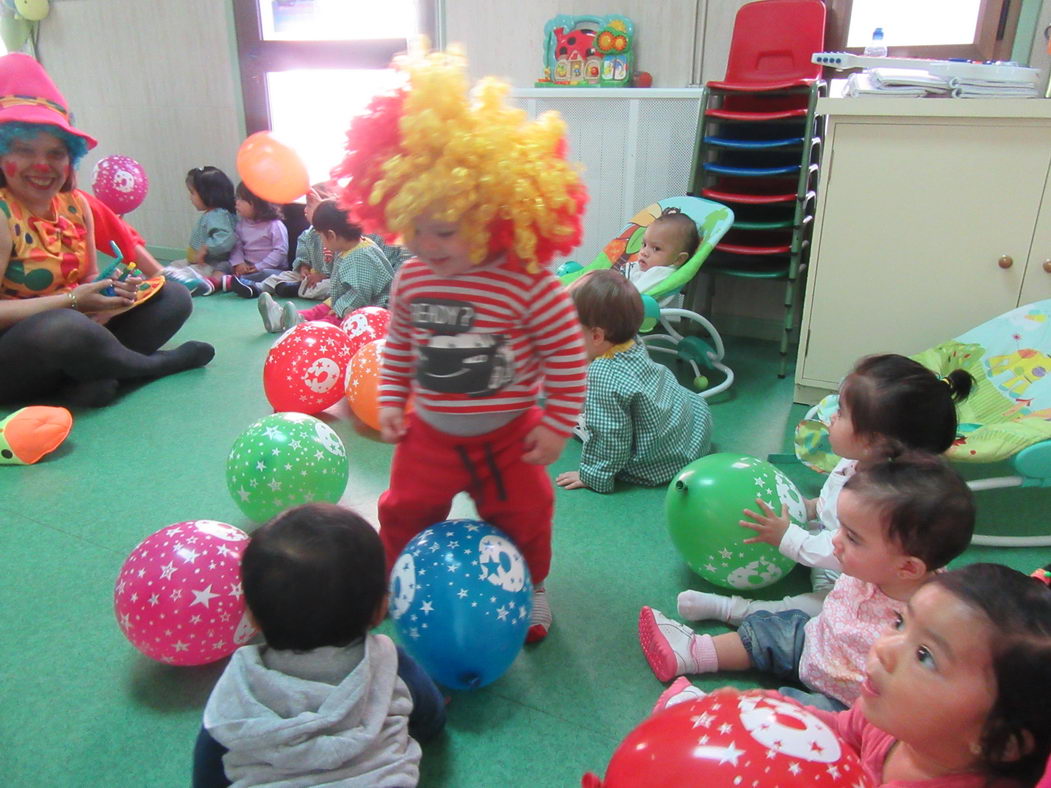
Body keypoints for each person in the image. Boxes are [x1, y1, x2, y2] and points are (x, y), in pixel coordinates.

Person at [335, 46, 589, 643]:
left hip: (509, 437)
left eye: (444, 229)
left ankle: (532, 583)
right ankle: (393, 580)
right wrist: (393, 399)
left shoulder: (529, 283)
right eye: (413, 226)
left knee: (527, 514)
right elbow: (399, 346)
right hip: (432, 433)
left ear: (493, 211)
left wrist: (556, 424)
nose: (426, 242)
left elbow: (567, 357)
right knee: (402, 511)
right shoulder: (413, 277)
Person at [638, 451, 975, 711]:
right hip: (814, 641)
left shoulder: (928, 618)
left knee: (786, 718)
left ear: (908, 568)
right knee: (769, 630)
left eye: (853, 538)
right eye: (841, 528)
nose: (836, 540)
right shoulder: (874, 566)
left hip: (844, 700)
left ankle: (706, 710)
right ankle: (694, 651)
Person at [678, 353, 974, 626]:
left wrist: (787, 536)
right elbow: (834, 502)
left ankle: (735, 610)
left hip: (857, 571)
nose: (832, 416)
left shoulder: (886, 501)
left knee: (819, 609)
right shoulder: (857, 461)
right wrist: (807, 508)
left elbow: (844, 550)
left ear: (872, 441)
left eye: (842, 413)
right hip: (833, 543)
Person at [0, 52, 212, 407]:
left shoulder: (76, 205)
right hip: (20, 352)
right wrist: (71, 303)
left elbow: (88, 278)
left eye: (55, 154)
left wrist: (109, 294)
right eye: (25, 150)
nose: (42, 165)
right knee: (64, 328)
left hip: (77, 333)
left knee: (172, 297)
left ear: (70, 160)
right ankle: (152, 367)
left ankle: (86, 382)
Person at [191, 503, 446, 788]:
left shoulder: (237, 688)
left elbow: (210, 766)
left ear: (252, 616)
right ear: (380, 609)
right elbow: (432, 718)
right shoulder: (390, 664)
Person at [554, 269, 712, 493]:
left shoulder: (603, 373)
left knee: (604, 425)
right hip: (692, 430)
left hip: (659, 461)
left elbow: (611, 435)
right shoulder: (630, 341)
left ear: (597, 336)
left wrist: (593, 475)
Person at [256, 199, 398, 333]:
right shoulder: (349, 247)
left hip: (370, 307)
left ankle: (304, 326)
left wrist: (340, 307)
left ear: (331, 235)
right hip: (346, 299)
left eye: (321, 237)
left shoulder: (361, 256)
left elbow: (360, 293)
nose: (322, 242)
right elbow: (338, 275)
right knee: (321, 308)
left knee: (333, 319)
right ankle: (281, 318)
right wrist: (328, 262)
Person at [163, 166, 238, 295]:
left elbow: (227, 238)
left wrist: (207, 248)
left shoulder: (218, 215)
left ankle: (193, 285)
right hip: (198, 263)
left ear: (208, 194)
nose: (190, 198)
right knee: (173, 266)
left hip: (211, 265)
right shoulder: (212, 214)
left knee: (183, 274)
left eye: (192, 193)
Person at [224, 181, 288, 296]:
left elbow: (280, 251)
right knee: (225, 265)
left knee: (270, 275)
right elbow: (236, 247)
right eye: (237, 198)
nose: (236, 203)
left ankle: (240, 283)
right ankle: (243, 282)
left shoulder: (274, 225)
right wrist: (239, 263)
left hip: (272, 269)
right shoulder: (241, 225)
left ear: (257, 203)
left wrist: (260, 266)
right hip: (247, 268)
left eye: (242, 199)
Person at [622, 210, 700, 295]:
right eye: (644, 244)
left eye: (656, 249)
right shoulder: (646, 266)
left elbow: (632, 297)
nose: (644, 252)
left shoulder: (660, 273)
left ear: (678, 259)